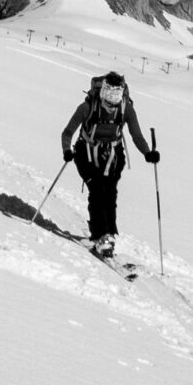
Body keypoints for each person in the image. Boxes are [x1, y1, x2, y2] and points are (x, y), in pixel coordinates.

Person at [60, 71, 157, 259]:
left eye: (114, 100)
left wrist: (147, 153)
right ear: (102, 93)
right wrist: (67, 150)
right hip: (85, 152)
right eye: (107, 100)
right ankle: (100, 235)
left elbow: (136, 136)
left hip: (113, 156)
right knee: (97, 190)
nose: (111, 106)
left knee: (110, 193)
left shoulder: (126, 109)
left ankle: (108, 234)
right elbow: (67, 133)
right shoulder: (87, 107)